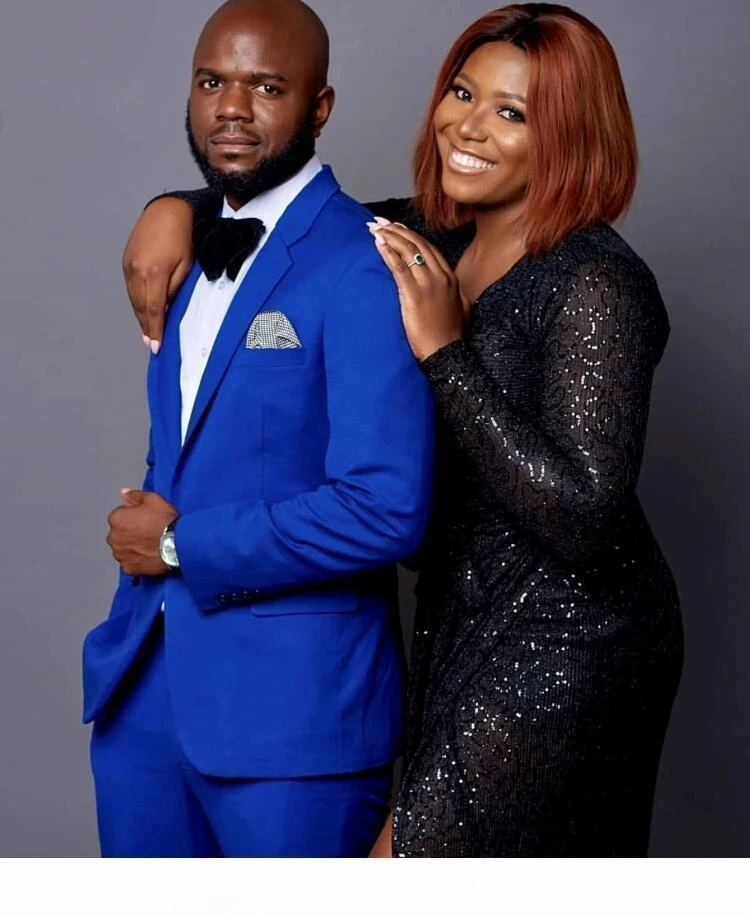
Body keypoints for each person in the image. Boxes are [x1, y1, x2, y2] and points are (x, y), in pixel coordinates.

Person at [120, 3, 683, 857]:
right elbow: (287, 209)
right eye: (463, 92)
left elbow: (586, 516)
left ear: (571, 135)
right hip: (456, 617)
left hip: (566, 635)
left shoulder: (599, 282)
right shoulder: (426, 235)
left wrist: (446, 354)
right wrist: (170, 206)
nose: (469, 126)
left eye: (512, 112)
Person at [82, 0, 434, 858]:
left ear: (320, 106)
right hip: (144, 702)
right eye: (212, 83)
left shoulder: (363, 263)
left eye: (266, 87)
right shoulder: (181, 248)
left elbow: (387, 507)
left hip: (294, 723)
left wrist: (179, 545)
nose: (231, 108)